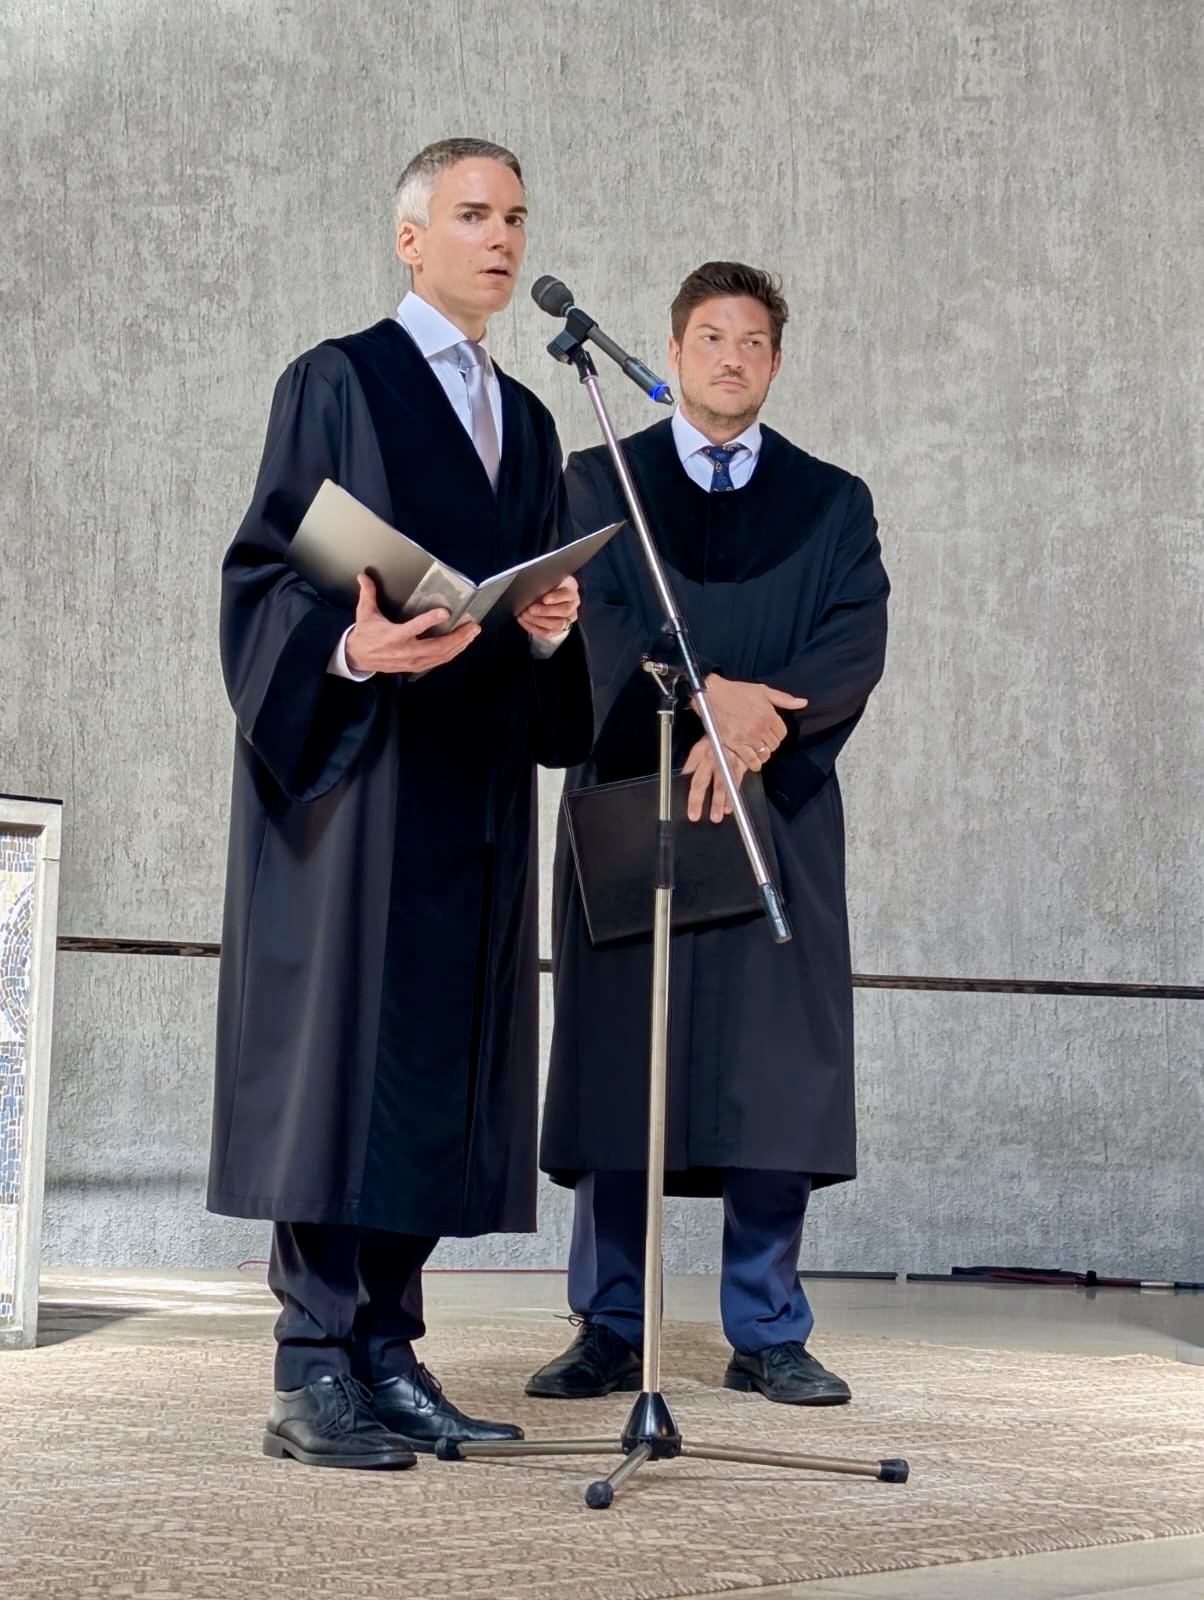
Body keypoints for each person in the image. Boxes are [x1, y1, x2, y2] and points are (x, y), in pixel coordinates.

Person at [208, 137, 591, 1469]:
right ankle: (311, 1363)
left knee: (439, 1063)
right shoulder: (341, 380)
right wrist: (349, 649)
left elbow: (539, 637)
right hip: (356, 785)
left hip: (470, 791)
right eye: (473, 215)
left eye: (517, 218)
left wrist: (549, 628)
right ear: (411, 240)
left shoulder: (532, 424)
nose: (501, 239)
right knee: (345, 1065)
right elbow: (271, 567)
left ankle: (386, 1346)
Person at [531, 261, 889, 1407]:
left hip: (769, 810)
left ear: (774, 365)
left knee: (769, 1074)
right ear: (673, 353)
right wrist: (704, 707)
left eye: (751, 343)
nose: (729, 358)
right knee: (621, 1063)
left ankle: (768, 1325)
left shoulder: (832, 501)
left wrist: (746, 732)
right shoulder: (599, 482)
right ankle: (610, 1321)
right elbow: (599, 628)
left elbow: (850, 645)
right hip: (634, 796)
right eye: (708, 337)